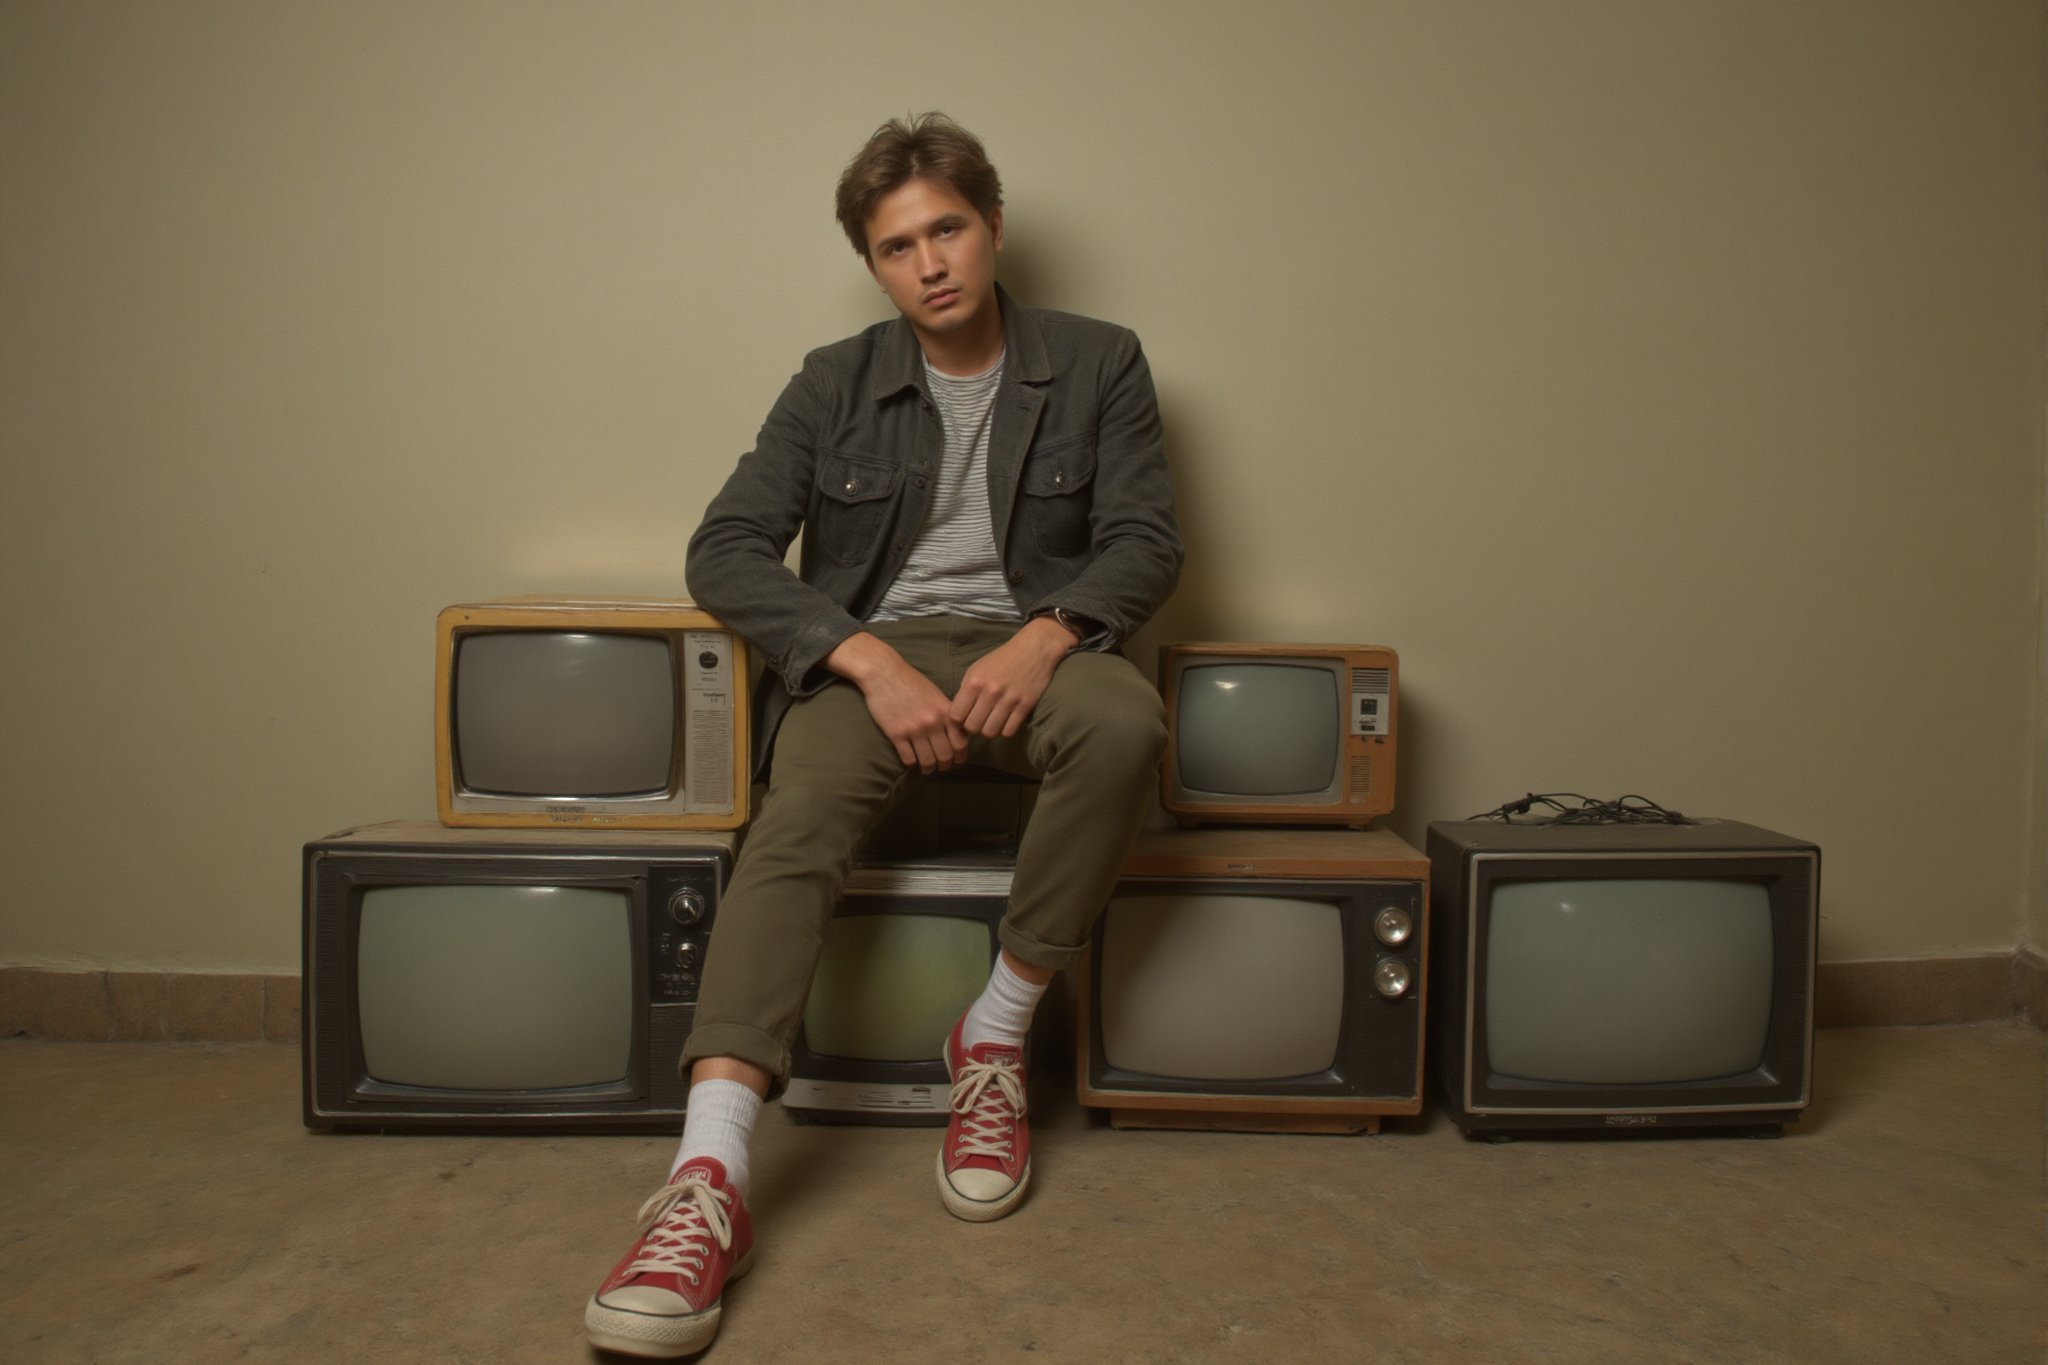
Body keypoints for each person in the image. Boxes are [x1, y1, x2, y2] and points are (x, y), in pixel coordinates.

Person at [584, 112, 1182, 1359]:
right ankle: (707, 1184)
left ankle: (995, 1036)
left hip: (1036, 651)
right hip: (874, 672)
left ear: (993, 224)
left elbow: (1144, 541)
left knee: (1125, 722)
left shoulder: (1097, 360)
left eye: (947, 228)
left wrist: (1047, 635)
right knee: (790, 822)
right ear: (872, 263)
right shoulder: (832, 380)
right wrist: (863, 659)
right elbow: (723, 549)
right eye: (897, 244)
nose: (930, 263)